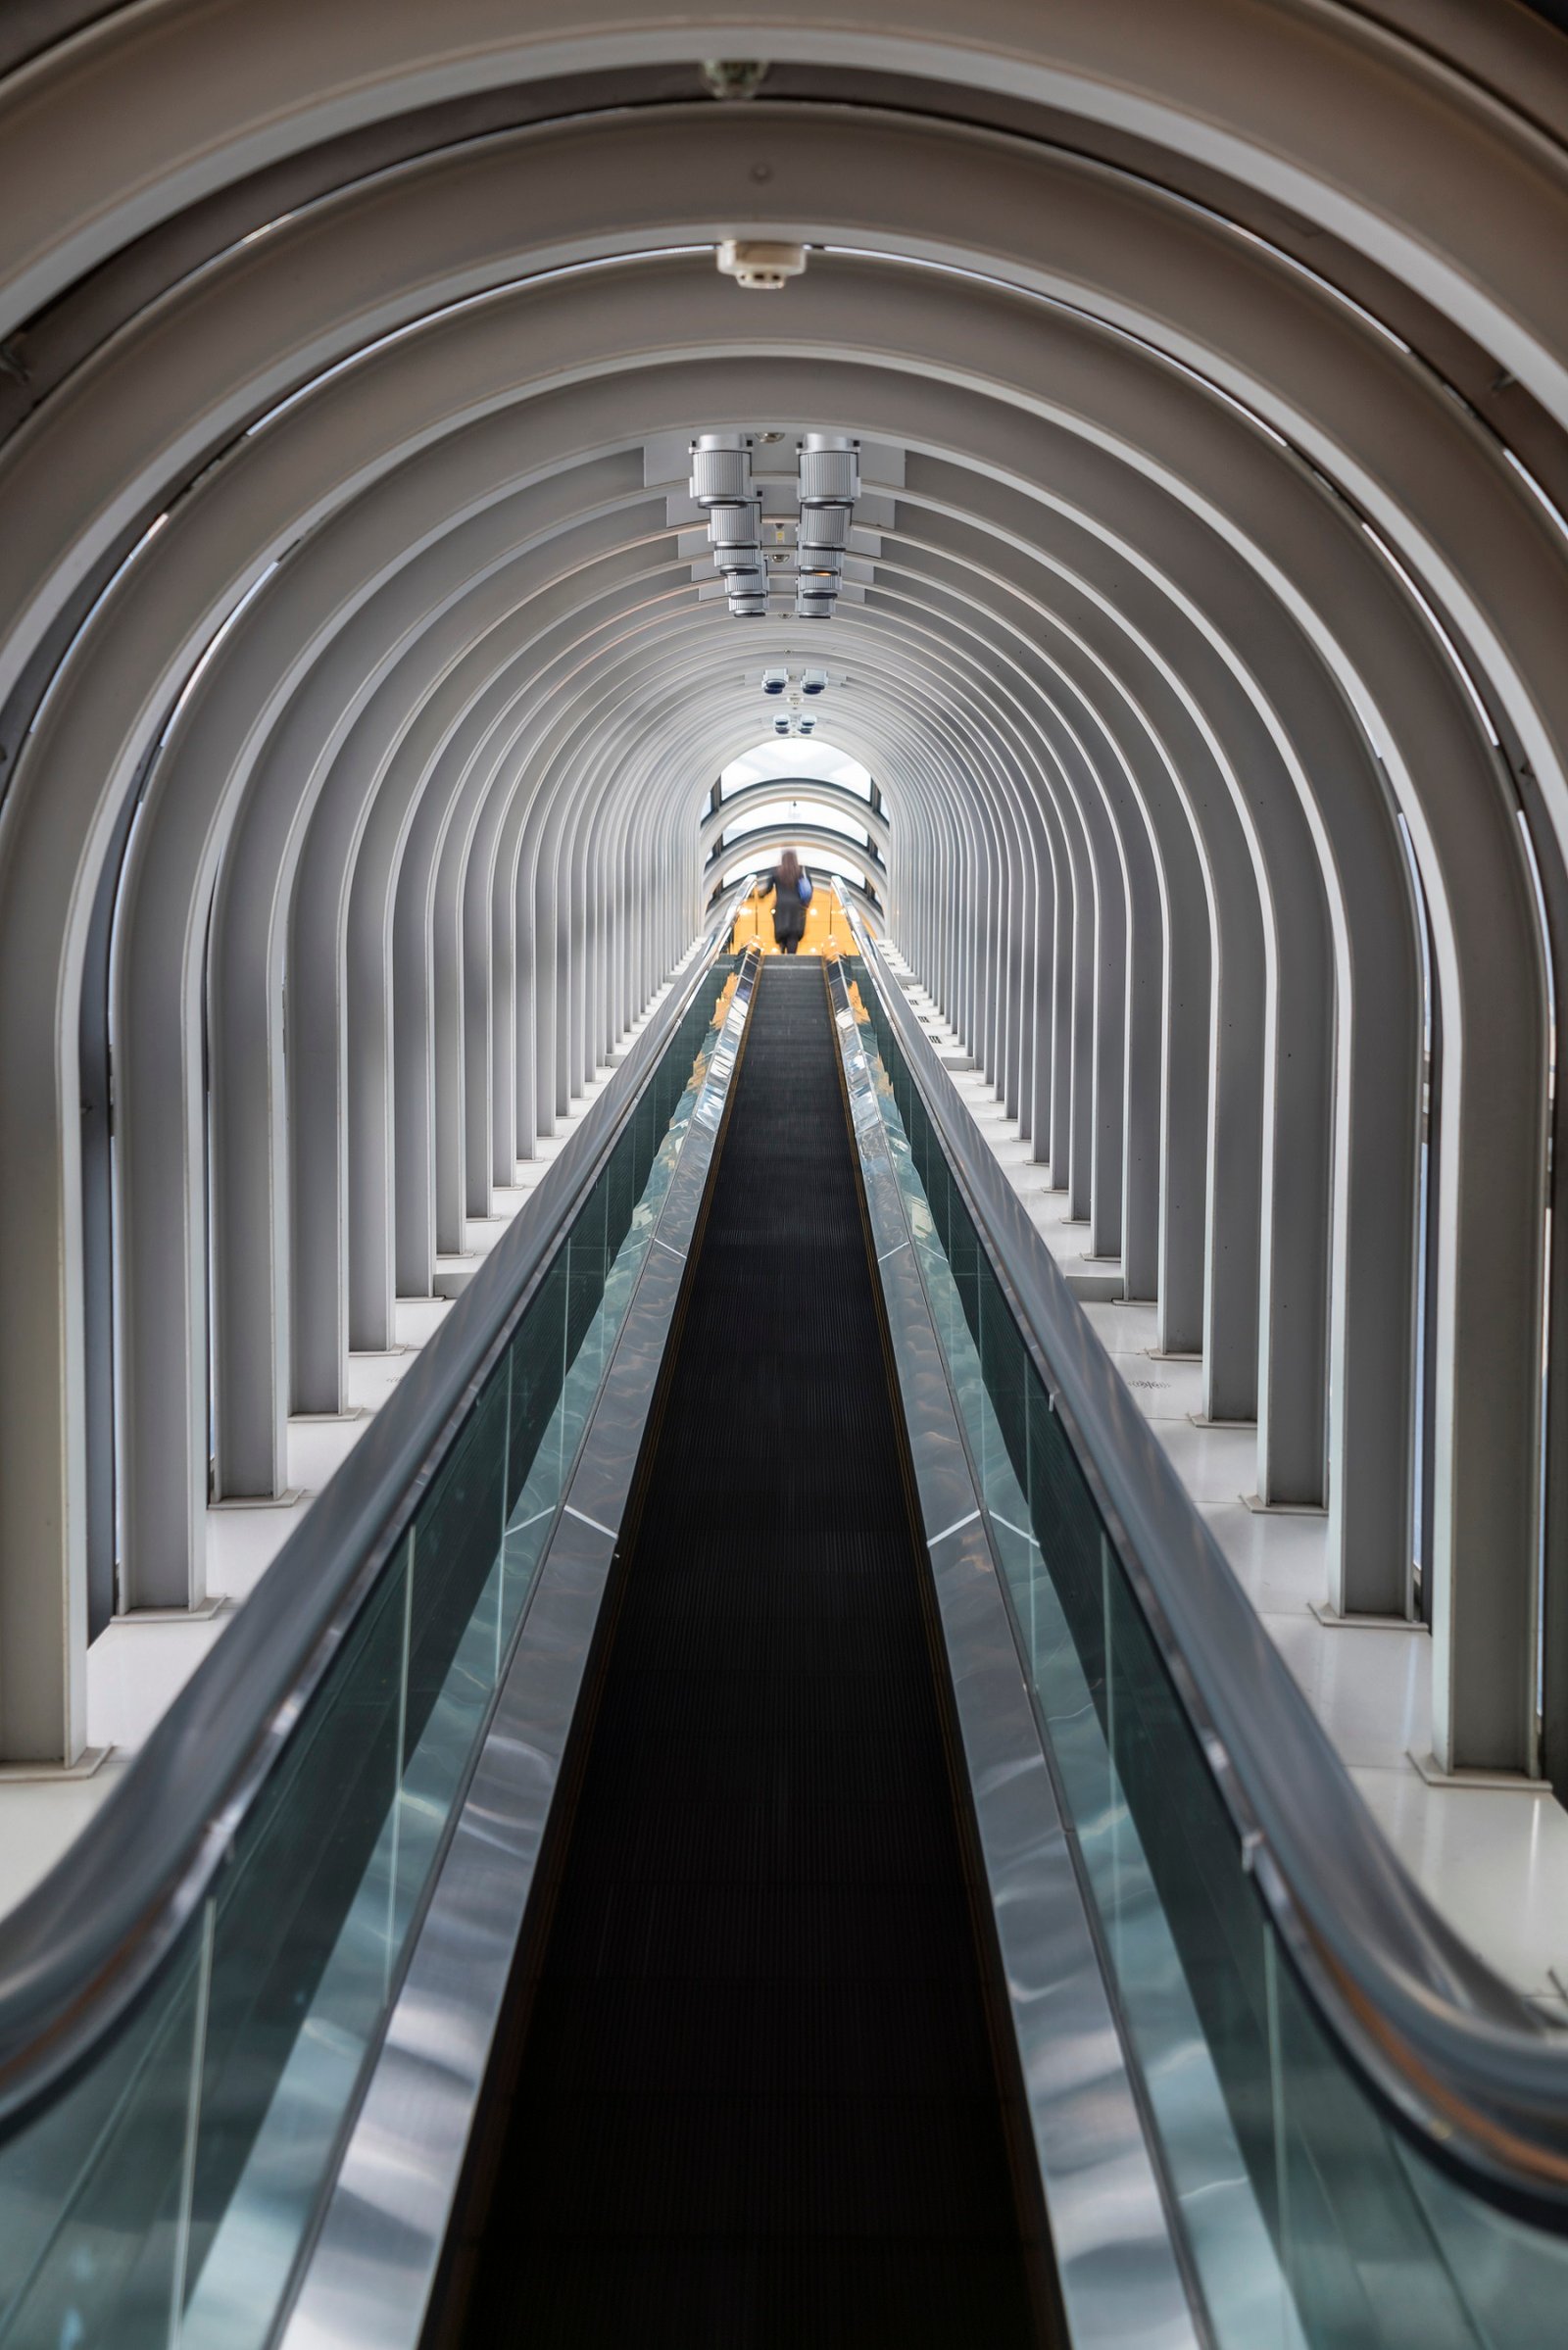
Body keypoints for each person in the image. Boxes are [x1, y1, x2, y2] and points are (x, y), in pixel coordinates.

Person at [760, 848, 811, 954]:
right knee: (793, 935)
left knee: (783, 932)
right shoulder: (801, 870)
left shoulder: (776, 871)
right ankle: (791, 957)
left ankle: (782, 953)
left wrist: (759, 895)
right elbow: (809, 888)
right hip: (797, 907)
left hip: (781, 906)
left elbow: (768, 889)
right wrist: (806, 903)